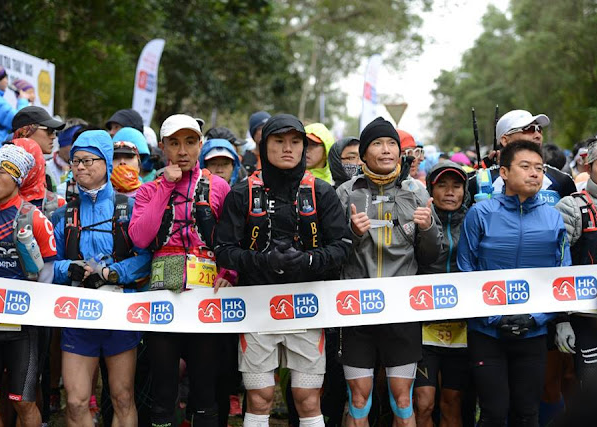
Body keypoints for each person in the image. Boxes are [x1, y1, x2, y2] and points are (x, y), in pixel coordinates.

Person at [215, 113, 350, 427]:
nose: (288, 148)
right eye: (279, 141)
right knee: (259, 398)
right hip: (257, 309)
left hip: (307, 307)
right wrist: (264, 261)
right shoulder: (242, 192)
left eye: (295, 141)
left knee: (308, 399)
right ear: (264, 146)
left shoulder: (321, 191)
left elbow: (343, 245)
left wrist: (307, 261)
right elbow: (223, 250)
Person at [457, 140, 571, 427]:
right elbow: (465, 271)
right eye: (525, 166)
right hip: (487, 332)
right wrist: (494, 318)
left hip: (533, 332)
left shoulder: (553, 218)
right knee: (493, 414)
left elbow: (563, 276)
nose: (534, 173)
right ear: (504, 173)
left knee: (527, 414)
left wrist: (536, 318)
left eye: (539, 168)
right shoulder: (480, 214)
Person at [129, 114, 233, 427]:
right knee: (163, 389)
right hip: (163, 300)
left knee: (204, 388)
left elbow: (232, 239)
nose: (183, 151)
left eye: (189, 142)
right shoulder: (148, 190)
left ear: (200, 144)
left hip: (206, 299)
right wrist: (166, 186)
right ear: (162, 148)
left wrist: (229, 273)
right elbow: (140, 238)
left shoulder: (219, 187)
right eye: (174, 143)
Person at [336, 117, 441, 427]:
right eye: (377, 144)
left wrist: (428, 228)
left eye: (391, 144)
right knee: (359, 400)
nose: (386, 150)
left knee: (403, 400)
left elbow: (431, 256)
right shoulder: (346, 192)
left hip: (402, 310)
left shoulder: (416, 192)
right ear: (363, 155)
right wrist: (352, 233)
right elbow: (334, 253)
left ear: (399, 151)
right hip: (356, 308)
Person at [53, 130, 151, 427]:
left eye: (88, 160)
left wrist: (113, 272)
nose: (80, 167)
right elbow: (47, 266)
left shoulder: (129, 208)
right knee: (75, 402)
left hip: (120, 313)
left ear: (106, 163)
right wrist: (69, 268)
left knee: (122, 397)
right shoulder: (64, 214)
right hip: (77, 314)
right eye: (75, 161)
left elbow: (147, 257)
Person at [0, 144, 57, 427]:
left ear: (17, 178)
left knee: (23, 402)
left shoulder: (34, 218)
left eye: (0, 173)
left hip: (22, 331)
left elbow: (47, 278)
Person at [414, 162, 470, 427]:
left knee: (452, 401)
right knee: (423, 403)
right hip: (422, 322)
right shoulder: (419, 218)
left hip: (462, 324)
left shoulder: (475, 219)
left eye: (456, 186)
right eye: (442, 186)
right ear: (430, 189)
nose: (449, 192)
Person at [554, 134, 597, 385]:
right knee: (594, 389)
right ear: (588, 167)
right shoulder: (571, 207)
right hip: (587, 316)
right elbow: (555, 265)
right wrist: (562, 319)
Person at [469, 110, 575, 206]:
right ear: (505, 140)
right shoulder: (478, 182)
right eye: (529, 129)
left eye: (539, 129)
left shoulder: (561, 180)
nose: (538, 135)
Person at [47, 119, 86, 192]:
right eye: (73, 144)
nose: (80, 150)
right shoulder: (46, 168)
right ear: (63, 143)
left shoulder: (90, 168)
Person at [242, 110, 271, 175]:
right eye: (260, 128)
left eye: (268, 127)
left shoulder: (280, 157)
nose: (265, 131)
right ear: (253, 133)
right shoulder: (243, 159)